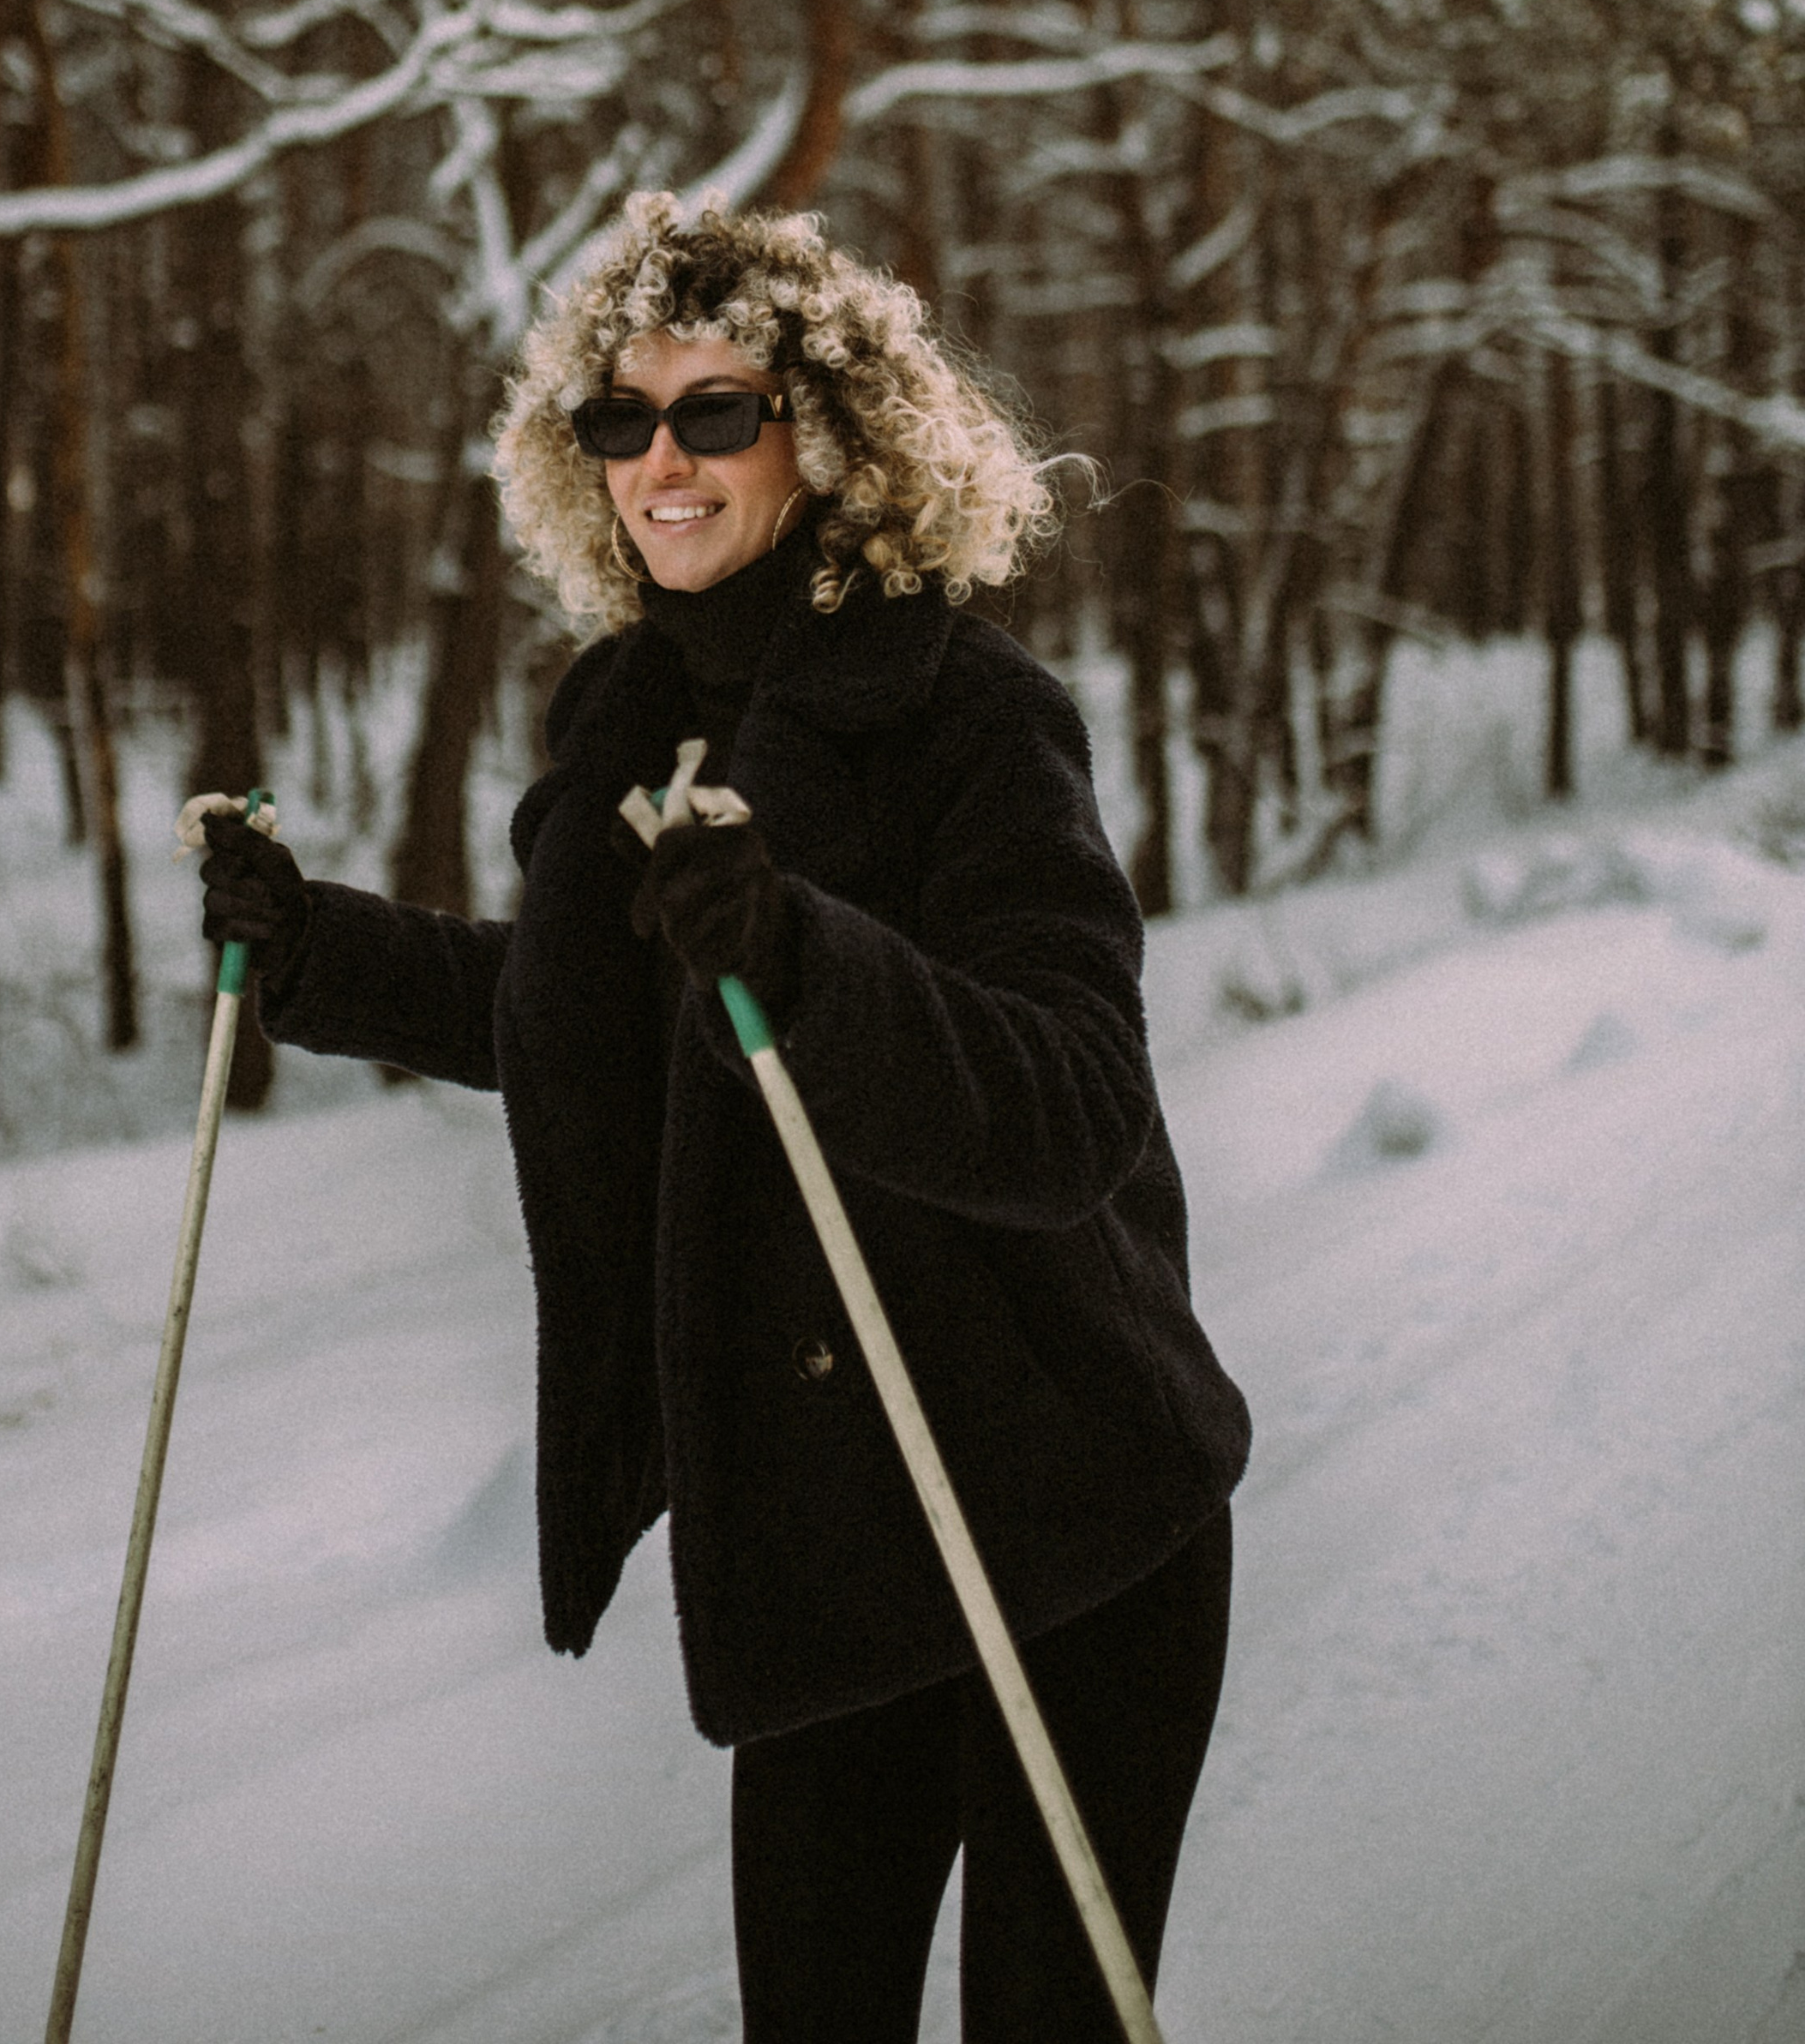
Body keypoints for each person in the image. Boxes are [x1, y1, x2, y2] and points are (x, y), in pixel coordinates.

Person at [200, 195, 1249, 2043]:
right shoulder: (622, 723)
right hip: (831, 1550)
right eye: (620, 419)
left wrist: (810, 958)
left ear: (830, 434)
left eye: (715, 414)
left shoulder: (970, 721)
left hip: (1055, 1519)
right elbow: (616, 1022)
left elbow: (1069, 1104)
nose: (659, 462)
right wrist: (319, 956)